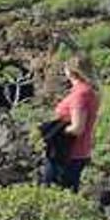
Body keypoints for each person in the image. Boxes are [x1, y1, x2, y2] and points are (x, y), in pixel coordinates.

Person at [42, 55, 101, 192]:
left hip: (67, 154)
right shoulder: (89, 91)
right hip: (78, 152)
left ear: (70, 70)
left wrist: (54, 132)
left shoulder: (80, 94)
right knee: (66, 193)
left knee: (53, 193)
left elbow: (77, 128)